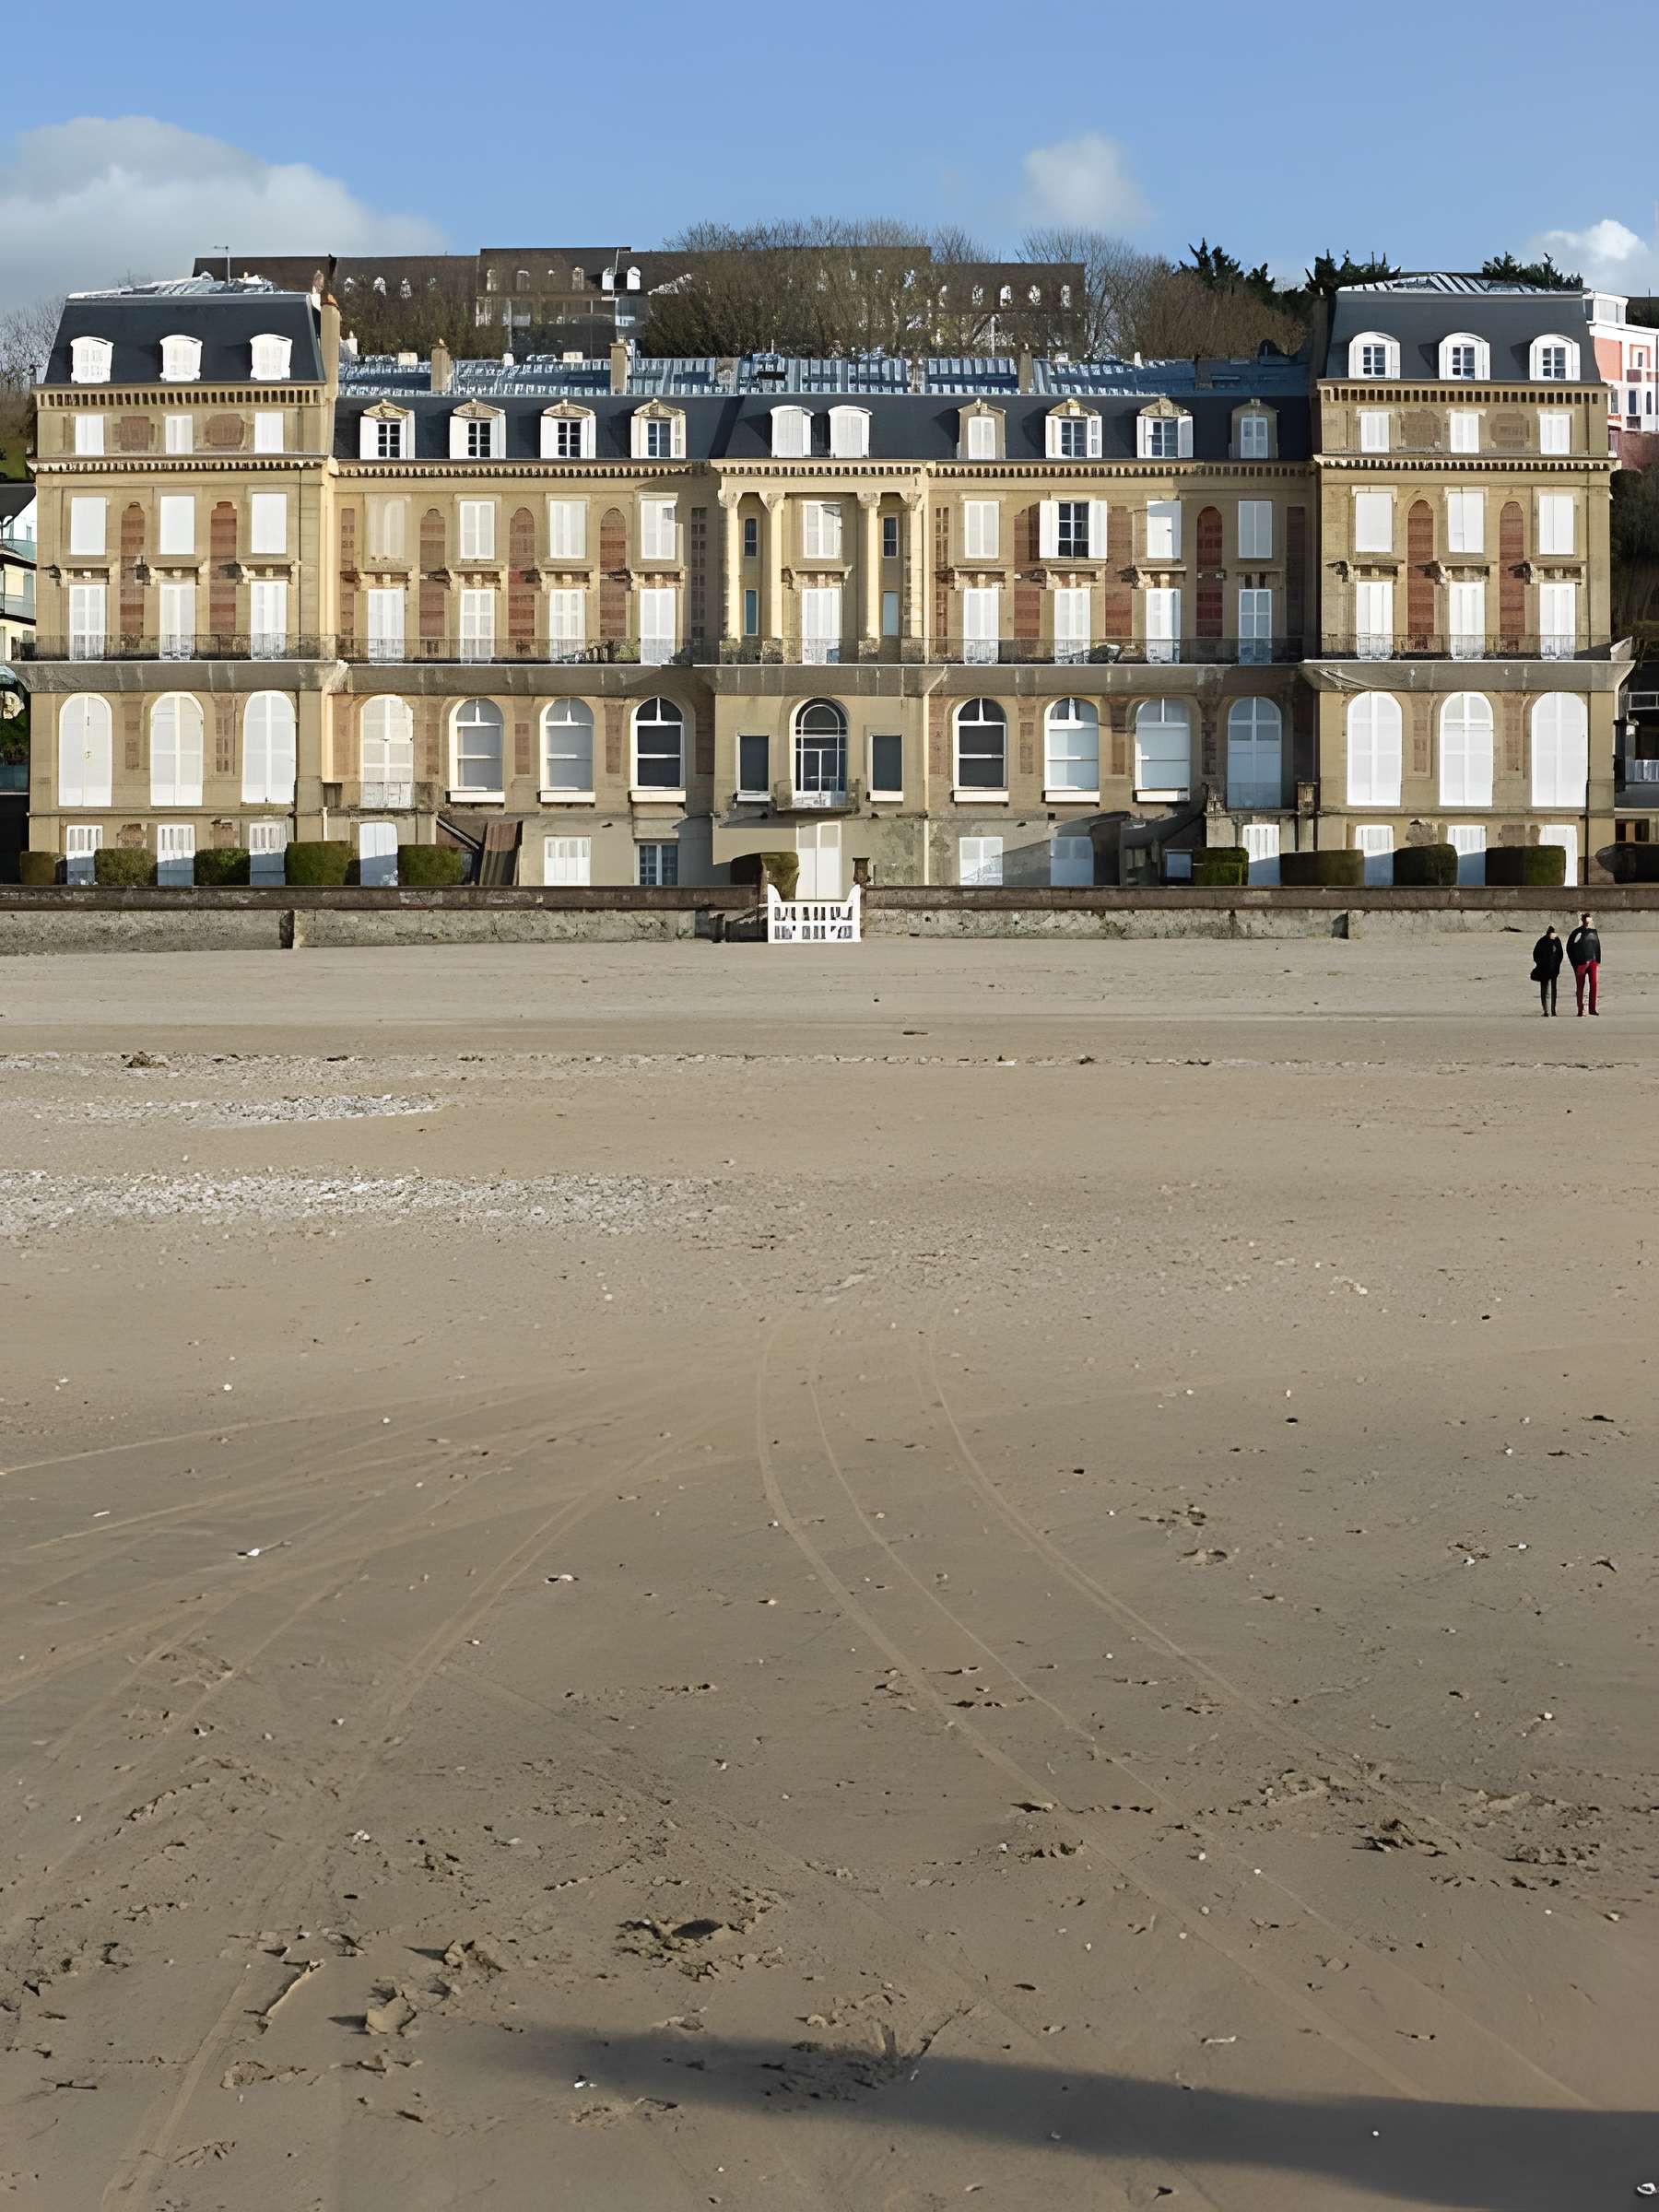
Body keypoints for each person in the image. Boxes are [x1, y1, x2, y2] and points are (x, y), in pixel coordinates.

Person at [1566, 912, 1602, 1017]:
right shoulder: (1577, 932)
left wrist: (1598, 960)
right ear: (1582, 921)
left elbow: (1597, 946)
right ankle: (1580, 1009)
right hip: (1581, 963)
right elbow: (1569, 948)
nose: (1587, 923)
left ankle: (1592, 1009)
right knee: (1580, 986)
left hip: (1593, 961)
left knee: (1594, 985)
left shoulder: (1594, 932)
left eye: (1589, 920)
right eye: (1586, 920)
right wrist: (1574, 963)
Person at [1531, 924, 1563, 1016]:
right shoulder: (1549, 941)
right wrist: (1541, 964)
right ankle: (1548, 1010)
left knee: (1547, 991)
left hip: (1551, 970)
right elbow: (1536, 955)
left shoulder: (1548, 941)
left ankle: (1551, 1010)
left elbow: (1560, 955)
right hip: (1546, 970)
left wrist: (1556, 965)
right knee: (1547, 990)